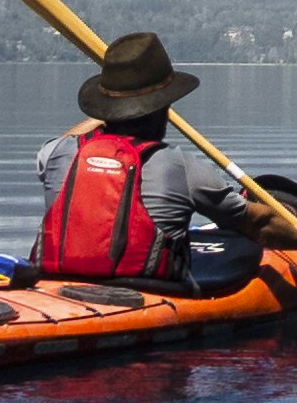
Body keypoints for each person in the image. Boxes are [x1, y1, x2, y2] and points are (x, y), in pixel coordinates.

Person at [31, 32, 281, 290]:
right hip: (149, 293)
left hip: (52, 286)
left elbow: (63, 140)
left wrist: (112, 112)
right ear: (162, 108)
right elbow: (259, 224)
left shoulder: (59, 154)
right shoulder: (180, 166)